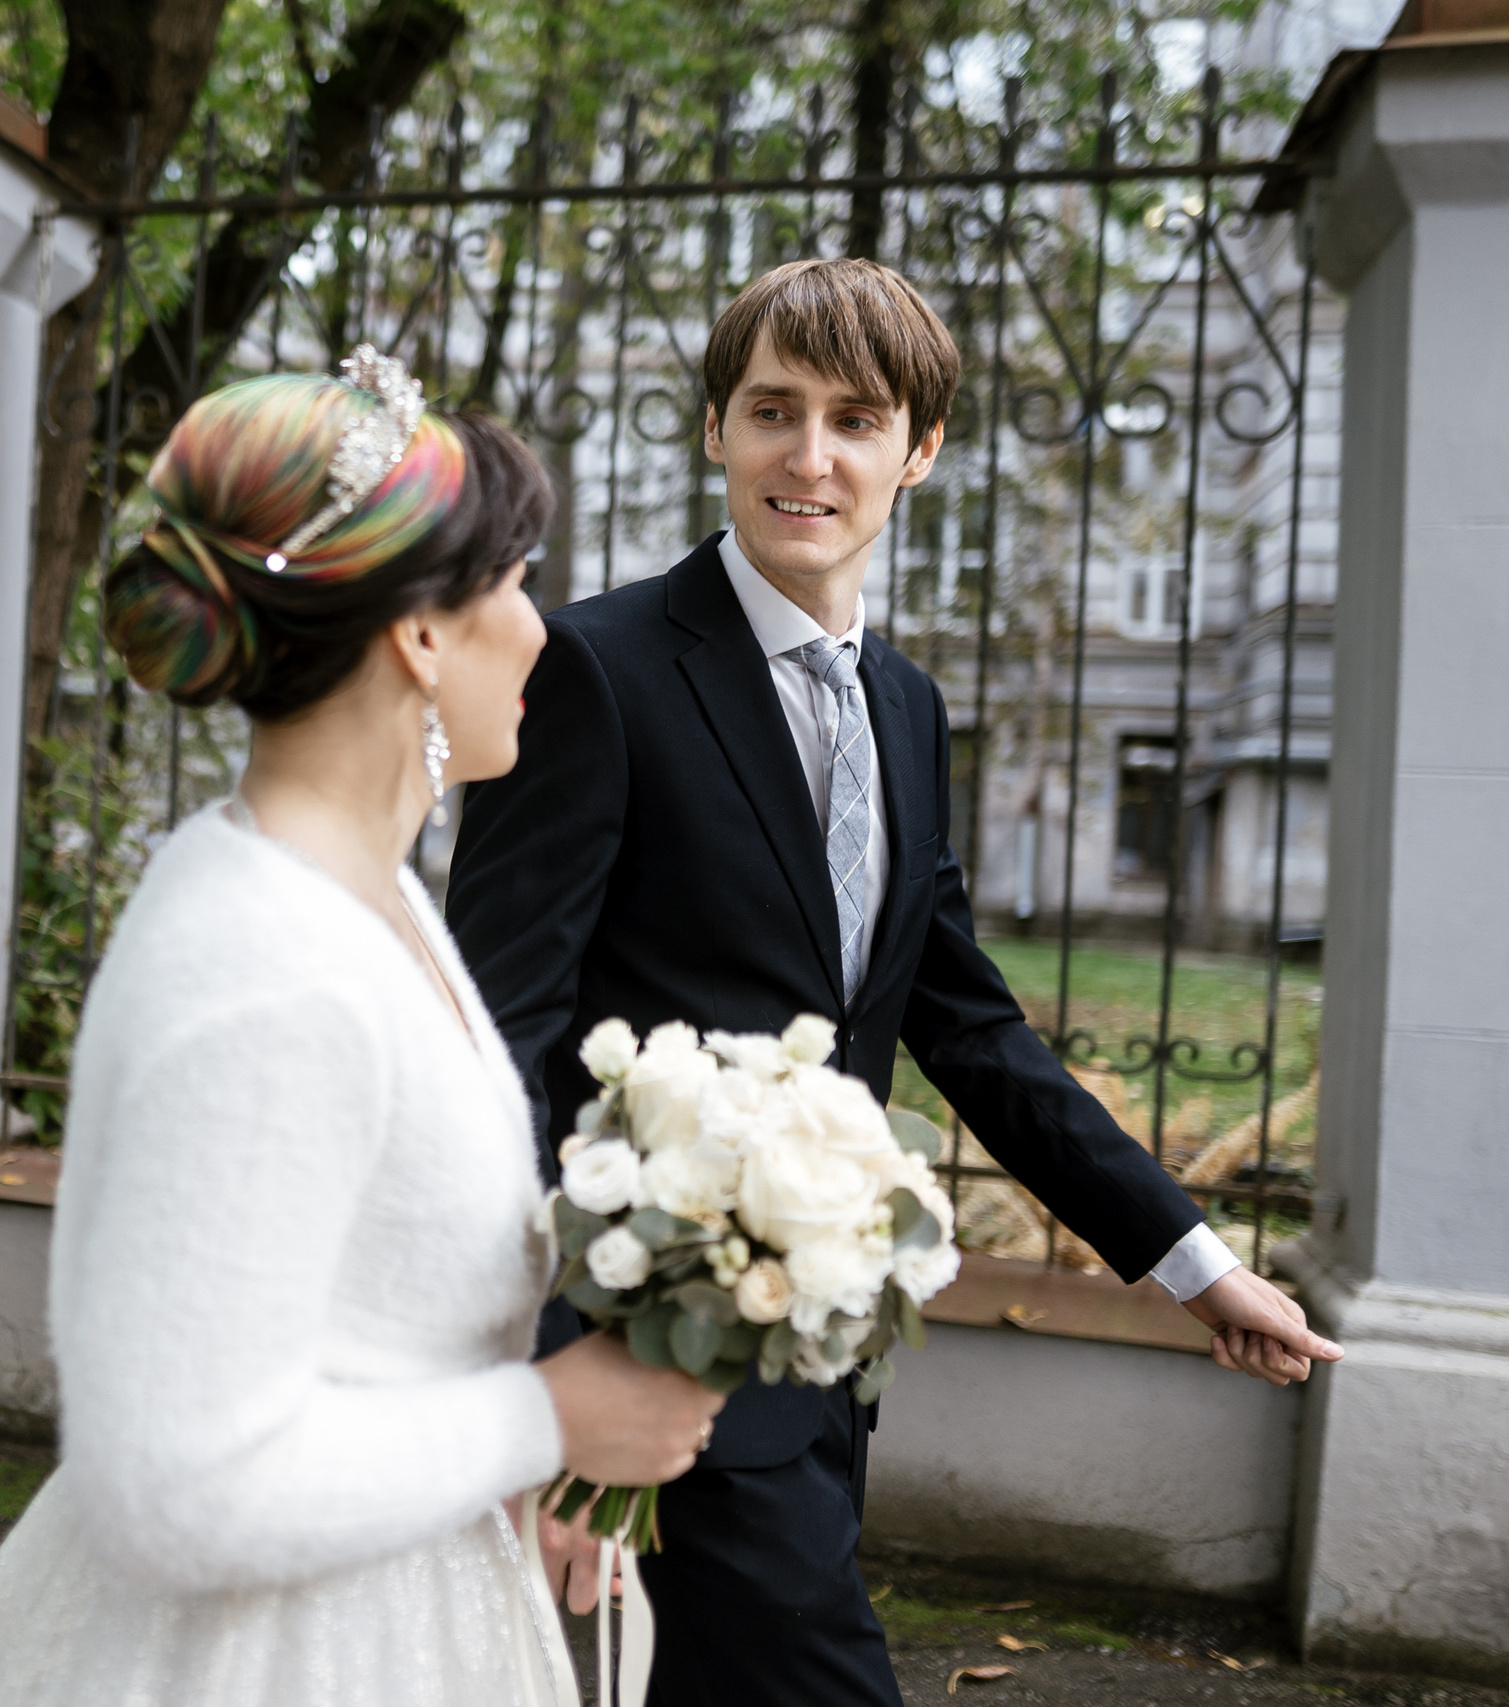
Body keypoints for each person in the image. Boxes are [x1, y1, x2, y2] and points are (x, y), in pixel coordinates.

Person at [446, 259, 1345, 1707]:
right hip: (641, 1360)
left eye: (855, 420)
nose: (809, 457)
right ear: (717, 430)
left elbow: (967, 1025)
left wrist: (1192, 1262)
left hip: (824, 1366)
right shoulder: (597, 669)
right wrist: (554, 1398)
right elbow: (499, 1043)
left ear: (917, 449)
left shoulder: (910, 708)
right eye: (772, 411)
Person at [0, 353, 723, 1707]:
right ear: (421, 635)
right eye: (516, 581)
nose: (541, 629)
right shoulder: (265, 963)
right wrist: (546, 1418)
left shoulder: (368, 895)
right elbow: (171, 1488)